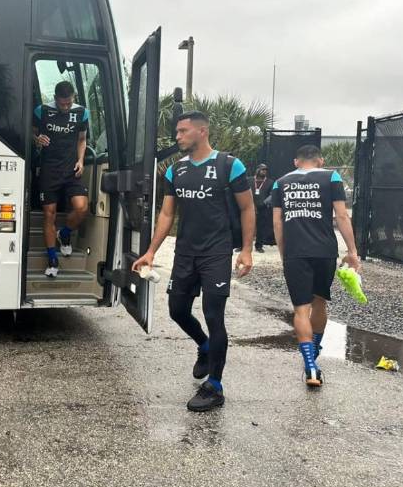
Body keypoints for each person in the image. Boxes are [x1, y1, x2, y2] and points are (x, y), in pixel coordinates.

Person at [132, 111, 255, 412]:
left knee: (214, 315)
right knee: (176, 310)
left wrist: (247, 249)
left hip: (216, 252)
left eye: (183, 131)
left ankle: (215, 385)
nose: (178, 137)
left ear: (202, 132)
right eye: (177, 132)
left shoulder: (229, 165)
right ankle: (204, 345)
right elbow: (166, 214)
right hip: (185, 253)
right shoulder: (176, 170)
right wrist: (150, 251)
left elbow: (248, 208)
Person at [271, 144, 360, 387]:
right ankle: (314, 351)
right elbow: (342, 216)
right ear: (320, 160)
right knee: (319, 301)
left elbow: (277, 223)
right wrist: (352, 252)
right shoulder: (331, 177)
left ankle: (310, 364)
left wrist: (283, 252)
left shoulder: (281, 182)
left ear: (296, 162)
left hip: (295, 253)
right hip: (324, 251)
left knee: (301, 308)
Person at [33, 81, 90, 278]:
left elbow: (82, 139)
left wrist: (81, 161)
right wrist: (37, 139)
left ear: (73, 98)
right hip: (49, 170)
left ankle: (64, 234)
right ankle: (52, 259)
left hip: (71, 169)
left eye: (68, 103)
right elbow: (32, 131)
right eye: (62, 104)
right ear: (55, 99)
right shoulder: (42, 111)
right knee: (49, 214)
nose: (65, 107)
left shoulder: (82, 112)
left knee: (82, 207)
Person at [249, 163, 275, 252]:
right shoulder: (249, 180)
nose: (264, 171)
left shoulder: (270, 182)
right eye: (262, 169)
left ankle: (258, 246)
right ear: (257, 170)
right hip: (249, 206)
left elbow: (272, 194)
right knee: (247, 226)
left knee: (261, 227)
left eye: (265, 170)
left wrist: (263, 204)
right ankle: (244, 245)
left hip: (263, 208)